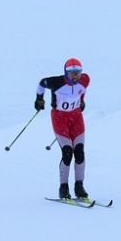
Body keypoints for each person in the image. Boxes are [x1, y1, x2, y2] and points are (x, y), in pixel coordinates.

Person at [35, 58, 91, 200]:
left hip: (76, 118)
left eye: (78, 73)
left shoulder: (85, 80)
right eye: (71, 73)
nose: (75, 76)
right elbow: (41, 84)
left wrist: (82, 101)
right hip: (60, 118)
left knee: (79, 151)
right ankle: (63, 188)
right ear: (66, 73)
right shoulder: (56, 82)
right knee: (67, 151)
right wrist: (39, 99)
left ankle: (79, 186)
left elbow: (81, 91)